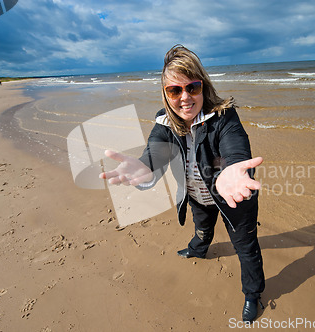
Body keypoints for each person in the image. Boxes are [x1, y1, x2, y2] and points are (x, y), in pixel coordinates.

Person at [99, 45, 265, 322]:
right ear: (165, 95)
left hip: (233, 196)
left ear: (204, 86)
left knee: (245, 248)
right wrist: (144, 167)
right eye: (175, 90)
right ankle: (198, 249)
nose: (185, 97)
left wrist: (234, 169)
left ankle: (253, 293)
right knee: (201, 228)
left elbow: (235, 147)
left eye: (193, 87)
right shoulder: (165, 124)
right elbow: (154, 152)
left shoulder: (224, 118)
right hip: (197, 196)